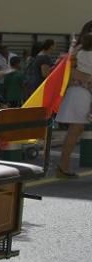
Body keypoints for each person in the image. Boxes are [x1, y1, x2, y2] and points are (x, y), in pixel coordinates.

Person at [55, 33, 92, 178]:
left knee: (75, 130)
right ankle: (63, 166)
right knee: (75, 131)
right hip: (83, 94)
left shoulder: (79, 53)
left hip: (77, 91)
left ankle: (63, 166)